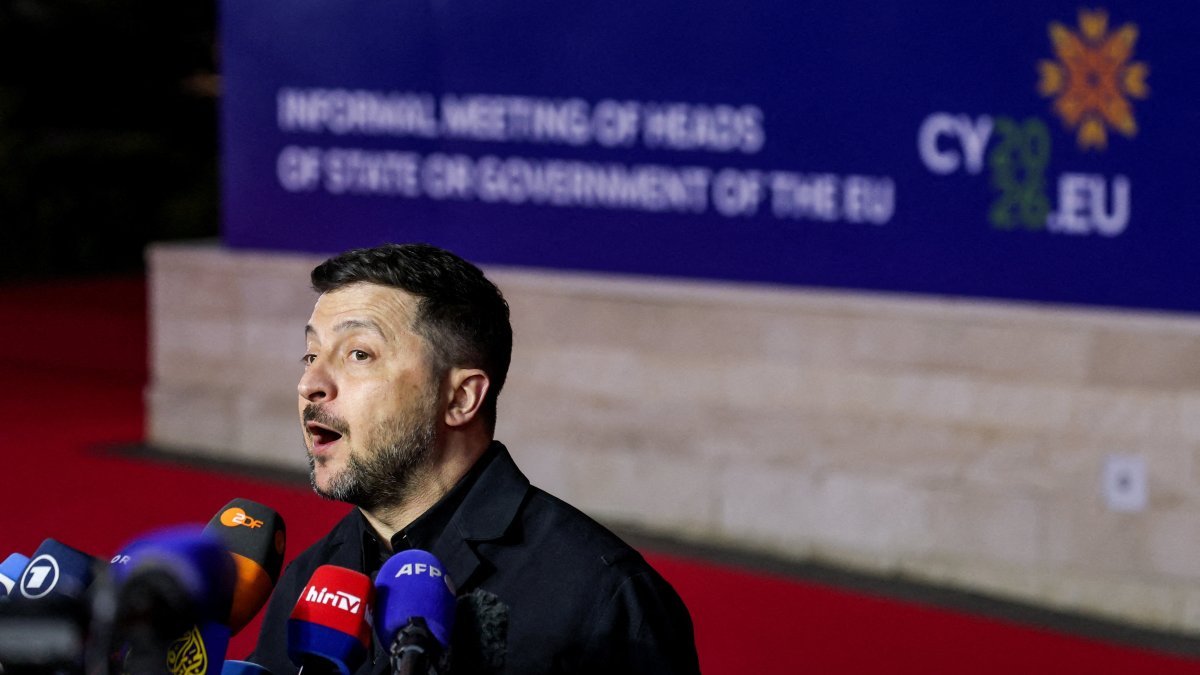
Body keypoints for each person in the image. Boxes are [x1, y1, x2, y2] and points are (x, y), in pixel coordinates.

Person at [248, 243, 700, 674]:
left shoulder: (602, 598)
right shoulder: (309, 581)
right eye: (310, 354)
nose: (310, 383)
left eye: (358, 354)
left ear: (461, 398)